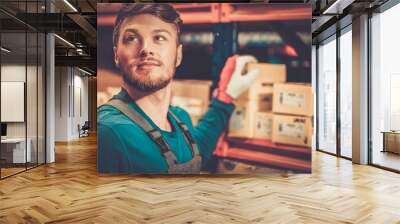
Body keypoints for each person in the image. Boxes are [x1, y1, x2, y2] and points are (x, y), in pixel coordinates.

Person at [97, 3, 260, 174]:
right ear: (116, 55)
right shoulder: (109, 133)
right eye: (132, 38)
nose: (146, 49)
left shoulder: (180, 119)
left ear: (178, 55)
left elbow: (199, 150)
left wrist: (225, 97)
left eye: (159, 38)